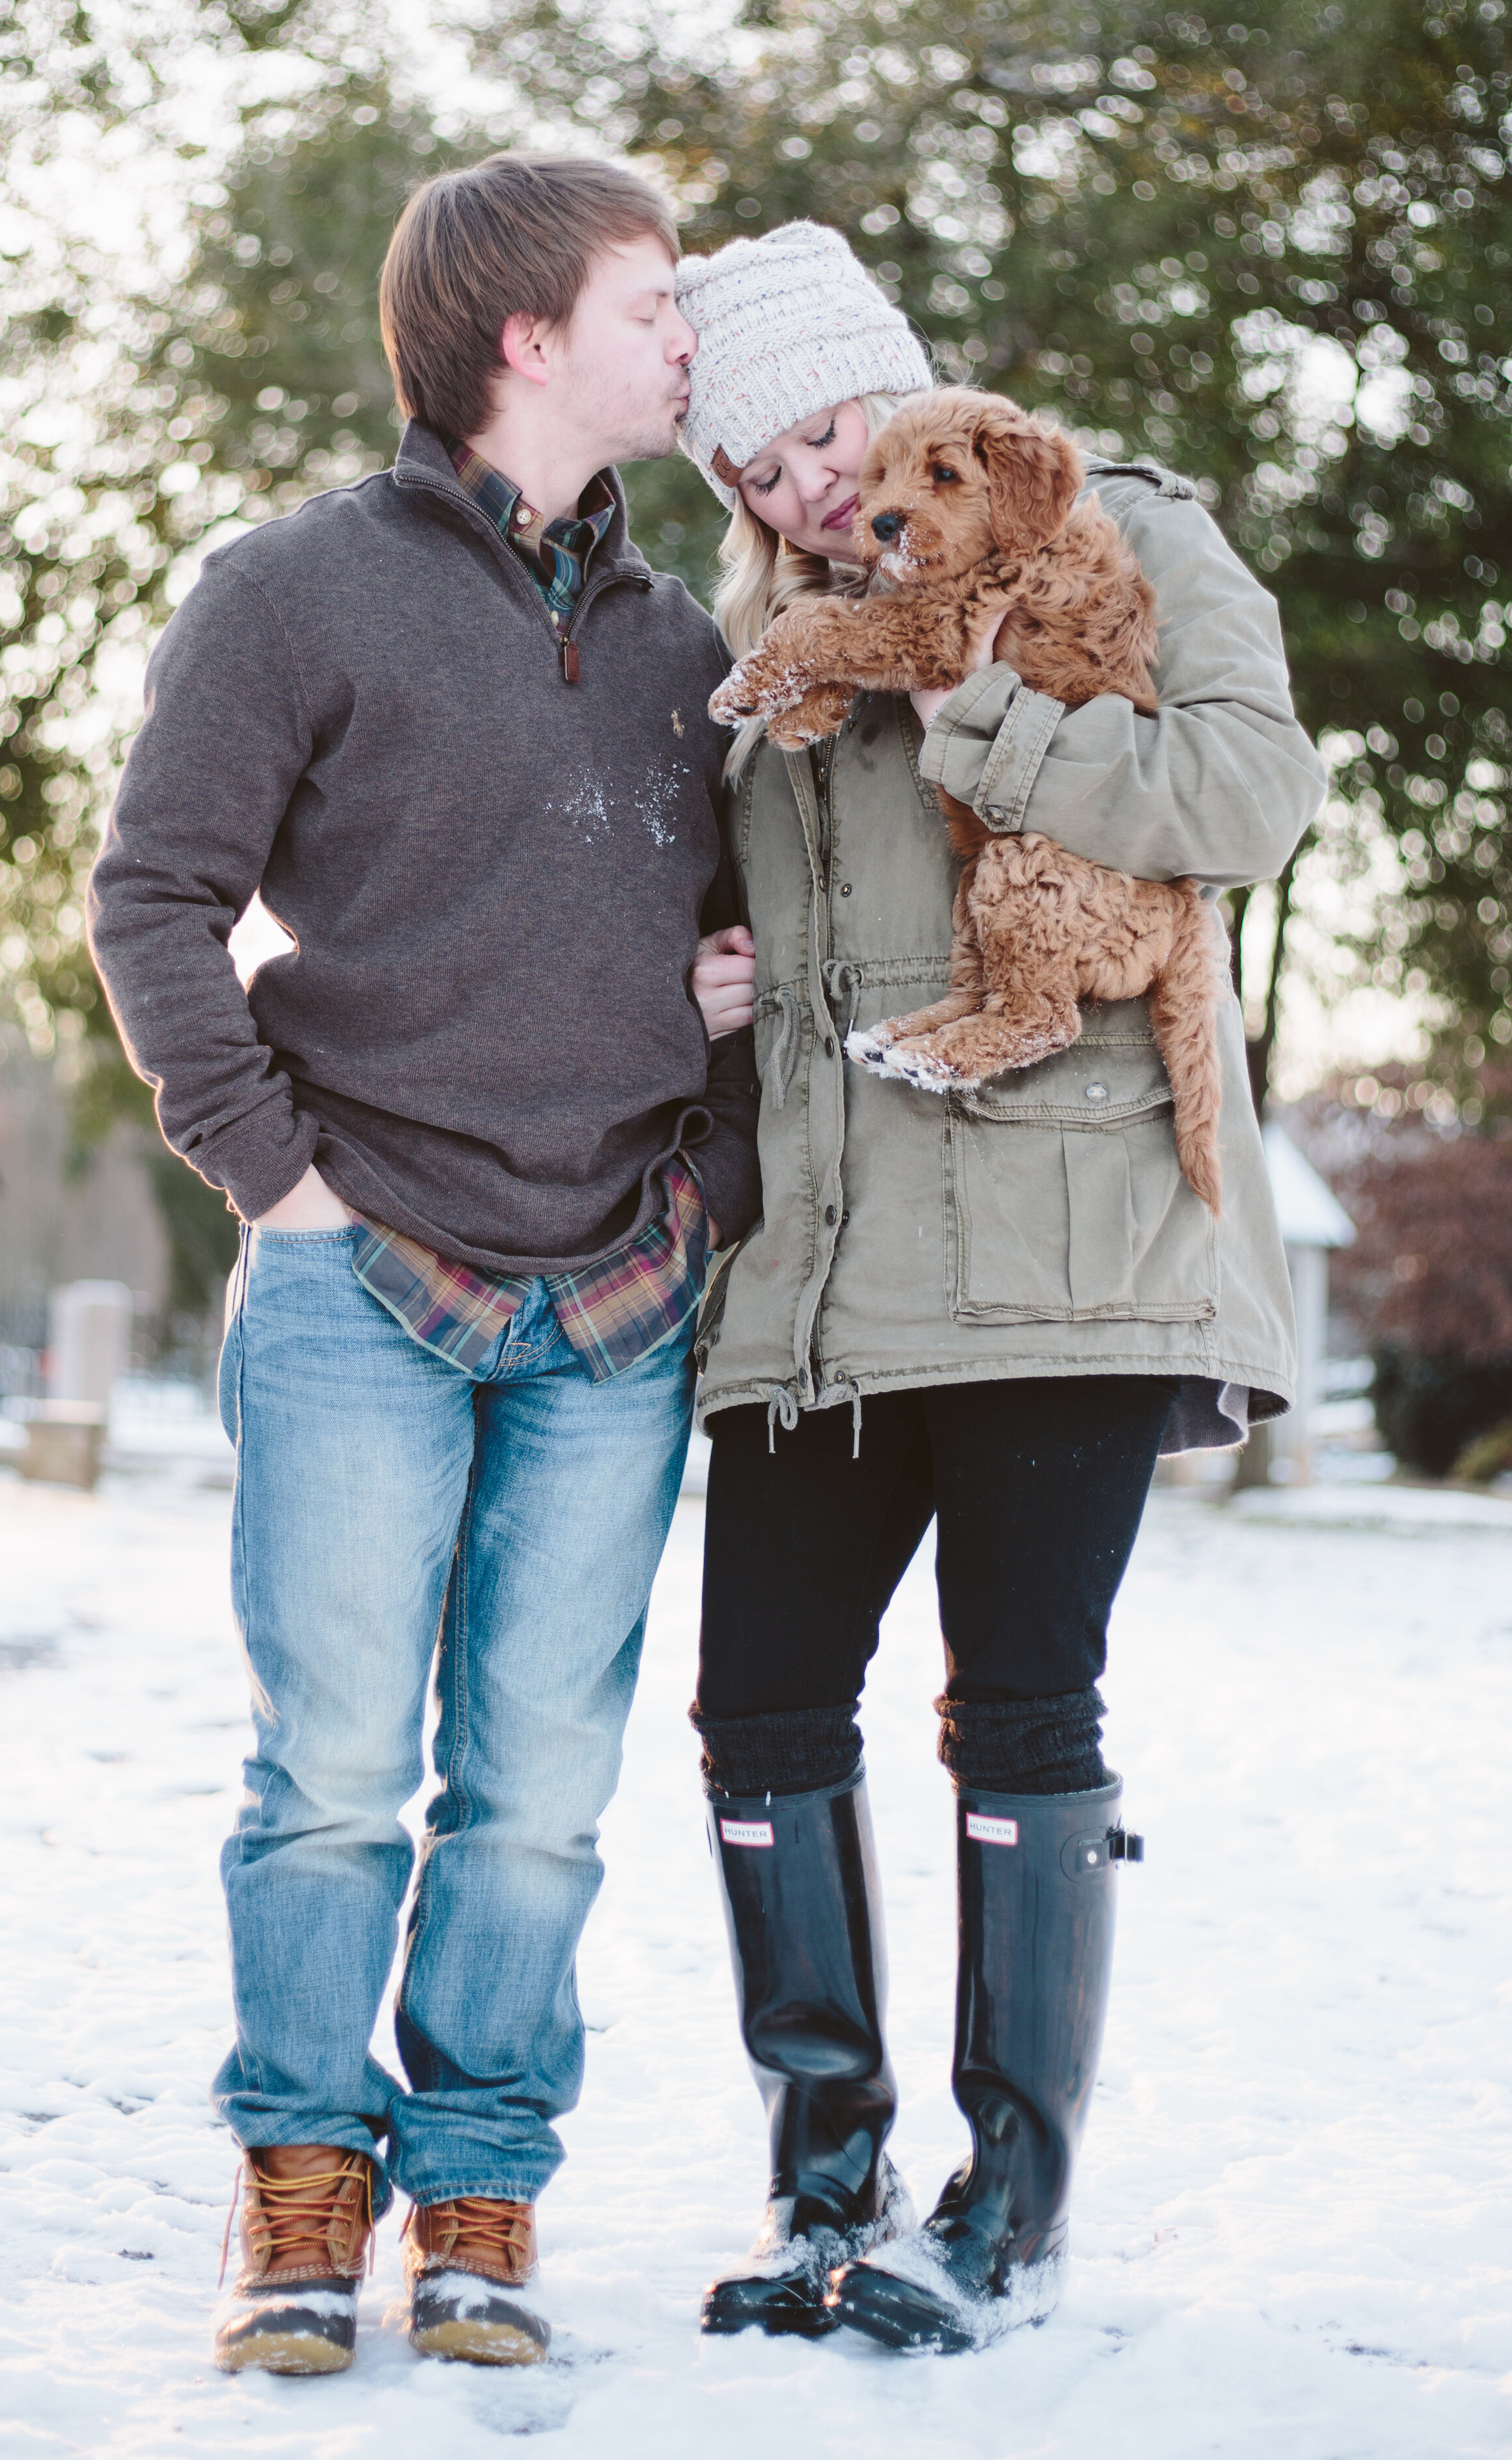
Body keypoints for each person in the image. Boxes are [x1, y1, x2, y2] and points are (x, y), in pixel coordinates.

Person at [87, 152, 762, 2376]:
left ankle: (479, 2180)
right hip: (360, 1273)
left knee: (542, 1790)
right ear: (523, 336)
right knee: (338, 1771)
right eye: (656, 304)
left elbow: (723, 942)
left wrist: (722, 1058)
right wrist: (271, 1179)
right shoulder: (291, 590)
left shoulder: (693, 645)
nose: (693, 342)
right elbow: (151, 896)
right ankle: (299, 2182)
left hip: (616, 1296)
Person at [671, 220, 1325, 2352]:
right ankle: (820, 2175)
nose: (803, 487)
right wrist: (697, 992)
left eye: (826, 429)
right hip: (821, 1278)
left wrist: (978, 715)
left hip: (1064, 1250)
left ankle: (1001, 2205)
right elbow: (732, 938)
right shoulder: (759, 656)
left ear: (906, 390)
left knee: (1019, 1711)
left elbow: (1248, 793)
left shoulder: (1107, 531)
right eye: (752, 468)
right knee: (759, 1707)